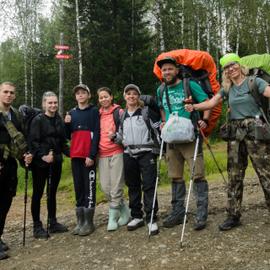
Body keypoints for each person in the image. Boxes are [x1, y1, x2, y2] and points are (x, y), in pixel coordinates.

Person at [185, 53, 270, 231]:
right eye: (227, 67)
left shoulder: (254, 82)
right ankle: (233, 215)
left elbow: (268, 92)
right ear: (225, 72)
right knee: (234, 176)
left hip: (256, 134)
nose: (231, 69)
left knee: (265, 173)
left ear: (239, 65)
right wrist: (194, 107)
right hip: (235, 135)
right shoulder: (227, 88)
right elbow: (211, 103)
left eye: (233, 65)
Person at [156, 57, 210, 230]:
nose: (167, 72)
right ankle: (178, 212)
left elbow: (207, 103)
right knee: (175, 176)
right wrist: (164, 122)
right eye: (164, 70)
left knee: (198, 174)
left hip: (190, 136)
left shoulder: (189, 85)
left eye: (170, 69)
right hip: (171, 139)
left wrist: (205, 120)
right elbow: (162, 108)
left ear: (177, 70)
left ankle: (201, 214)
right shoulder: (161, 89)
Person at [115, 84, 160, 235]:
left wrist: (160, 149)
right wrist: (115, 138)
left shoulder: (146, 112)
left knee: (149, 184)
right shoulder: (122, 115)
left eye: (134, 94)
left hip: (147, 152)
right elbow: (121, 135)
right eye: (128, 94)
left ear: (138, 96)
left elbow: (157, 130)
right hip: (129, 153)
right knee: (133, 185)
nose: (131, 96)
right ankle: (136, 216)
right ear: (125, 96)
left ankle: (152, 216)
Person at [29, 91, 69, 239]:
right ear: (44, 104)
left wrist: (74, 154)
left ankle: (52, 222)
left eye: (55, 102)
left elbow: (62, 142)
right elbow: (33, 142)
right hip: (40, 163)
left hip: (56, 161)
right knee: (38, 193)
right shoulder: (38, 120)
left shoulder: (58, 119)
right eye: (50, 103)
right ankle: (37, 226)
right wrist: (42, 156)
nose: (53, 105)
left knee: (52, 192)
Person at [0, 82, 32, 260]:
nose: (9, 95)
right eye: (5, 92)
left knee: (5, 203)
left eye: (12, 93)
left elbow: (20, 139)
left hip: (10, 164)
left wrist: (25, 156)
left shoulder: (16, 115)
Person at [65, 84, 100, 236]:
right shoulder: (71, 113)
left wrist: (92, 155)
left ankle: (89, 222)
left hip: (88, 157)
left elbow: (97, 134)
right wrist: (66, 124)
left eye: (83, 93)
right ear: (75, 97)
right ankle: (80, 221)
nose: (80, 95)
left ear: (89, 95)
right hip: (75, 156)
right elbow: (67, 136)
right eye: (78, 93)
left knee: (89, 188)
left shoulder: (94, 112)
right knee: (78, 187)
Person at [97, 87, 130, 231]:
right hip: (102, 154)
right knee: (106, 188)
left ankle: (112, 218)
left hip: (117, 151)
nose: (104, 99)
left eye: (106, 96)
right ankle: (125, 211)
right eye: (101, 97)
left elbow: (126, 131)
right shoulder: (97, 114)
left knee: (116, 187)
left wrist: (116, 137)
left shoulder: (119, 112)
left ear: (111, 97)